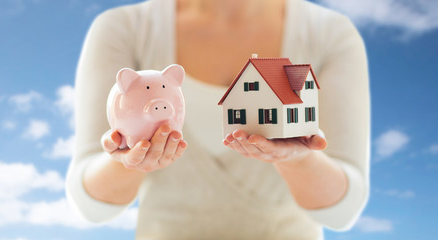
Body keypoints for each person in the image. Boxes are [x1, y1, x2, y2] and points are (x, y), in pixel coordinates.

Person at [66, 0, 370, 238]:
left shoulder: (330, 34)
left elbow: (342, 212)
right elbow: (91, 204)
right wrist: (127, 162)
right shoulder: (124, 28)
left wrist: (298, 160)